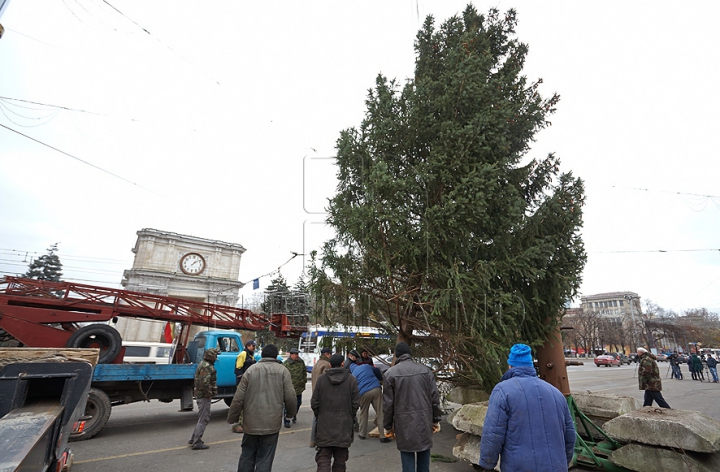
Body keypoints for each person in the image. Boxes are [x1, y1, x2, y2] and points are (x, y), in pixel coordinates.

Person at [477, 344, 575, 472]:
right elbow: (570, 435)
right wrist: (563, 463)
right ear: (531, 366)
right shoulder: (555, 393)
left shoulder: (503, 391)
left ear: (510, 366)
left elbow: (493, 434)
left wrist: (487, 464)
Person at [227, 344, 297, 472]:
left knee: (247, 454)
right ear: (276, 356)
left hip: (250, 423)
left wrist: (233, 418)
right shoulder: (283, 371)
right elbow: (291, 397)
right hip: (271, 424)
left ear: (262, 354)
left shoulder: (251, 370)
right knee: (265, 457)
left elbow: (238, 398)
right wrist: (290, 414)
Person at [383, 342, 442, 472]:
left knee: (407, 459)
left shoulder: (390, 374)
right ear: (410, 354)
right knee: (424, 458)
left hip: (403, 423)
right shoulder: (426, 370)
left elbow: (388, 405)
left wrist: (387, 426)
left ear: (397, 355)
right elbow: (434, 398)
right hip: (424, 420)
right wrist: (436, 419)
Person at [311, 354, 360, 472]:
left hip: (324, 425)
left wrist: (320, 415)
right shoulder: (351, 379)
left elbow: (314, 402)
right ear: (343, 364)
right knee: (340, 461)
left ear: (330, 365)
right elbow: (355, 403)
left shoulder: (321, 379)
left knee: (323, 458)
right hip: (344, 425)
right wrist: (350, 416)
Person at [349, 360, 390, 443]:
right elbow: (377, 370)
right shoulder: (366, 366)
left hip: (363, 393)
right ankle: (382, 436)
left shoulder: (352, 375)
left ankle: (362, 434)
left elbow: (353, 390)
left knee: (363, 413)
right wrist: (380, 378)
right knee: (380, 412)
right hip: (375, 389)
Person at [189, 348, 218, 450]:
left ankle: (193, 438)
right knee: (204, 418)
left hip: (201, 395)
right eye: (215, 356)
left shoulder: (203, 364)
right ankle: (197, 442)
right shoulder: (206, 367)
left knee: (202, 417)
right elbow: (204, 383)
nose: (216, 358)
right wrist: (209, 393)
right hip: (203, 396)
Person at [232, 339, 257, 433]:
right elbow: (238, 369)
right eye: (253, 346)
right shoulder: (243, 354)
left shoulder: (251, 355)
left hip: (249, 382)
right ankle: (237, 424)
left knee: (248, 403)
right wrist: (242, 380)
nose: (254, 348)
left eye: (254, 346)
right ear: (248, 346)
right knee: (241, 403)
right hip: (242, 383)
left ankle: (244, 423)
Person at [309, 347, 333, 446]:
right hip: (323, 395)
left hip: (315, 393)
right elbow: (327, 381)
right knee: (324, 419)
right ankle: (322, 440)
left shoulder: (317, 364)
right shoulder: (326, 365)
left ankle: (312, 440)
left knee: (316, 417)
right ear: (327, 354)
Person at [283, 347, 307, 428]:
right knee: (288, 405)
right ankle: (287, 420)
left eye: (297, 354)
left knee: (298, 403)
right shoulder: (286, 364)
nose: (297, 355)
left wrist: (304, 380)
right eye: (296, 354)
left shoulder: (301, 362)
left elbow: (304, 371)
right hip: (290, 389)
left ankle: (293, 414)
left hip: (299, 388)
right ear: (291, 355)